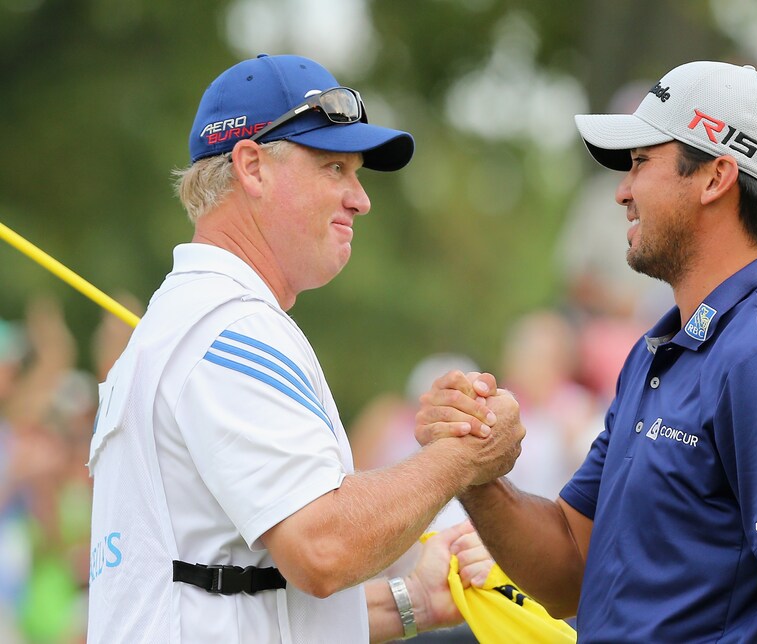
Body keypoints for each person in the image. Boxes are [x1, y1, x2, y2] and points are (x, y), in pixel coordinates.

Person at [418, 61, 757, 641]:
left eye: (640, 162)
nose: (622, 191)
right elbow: (573, 567)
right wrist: (474, 470)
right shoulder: (666, 349)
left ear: (714, 178)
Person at [86, 54, 524, 643]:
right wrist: (462, 456)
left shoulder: (185, 321)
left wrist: (414, 598)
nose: (360, 199)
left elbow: (235, 591)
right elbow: (322, 548)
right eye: (334, 168)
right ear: (252, 167)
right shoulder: (231, 328)